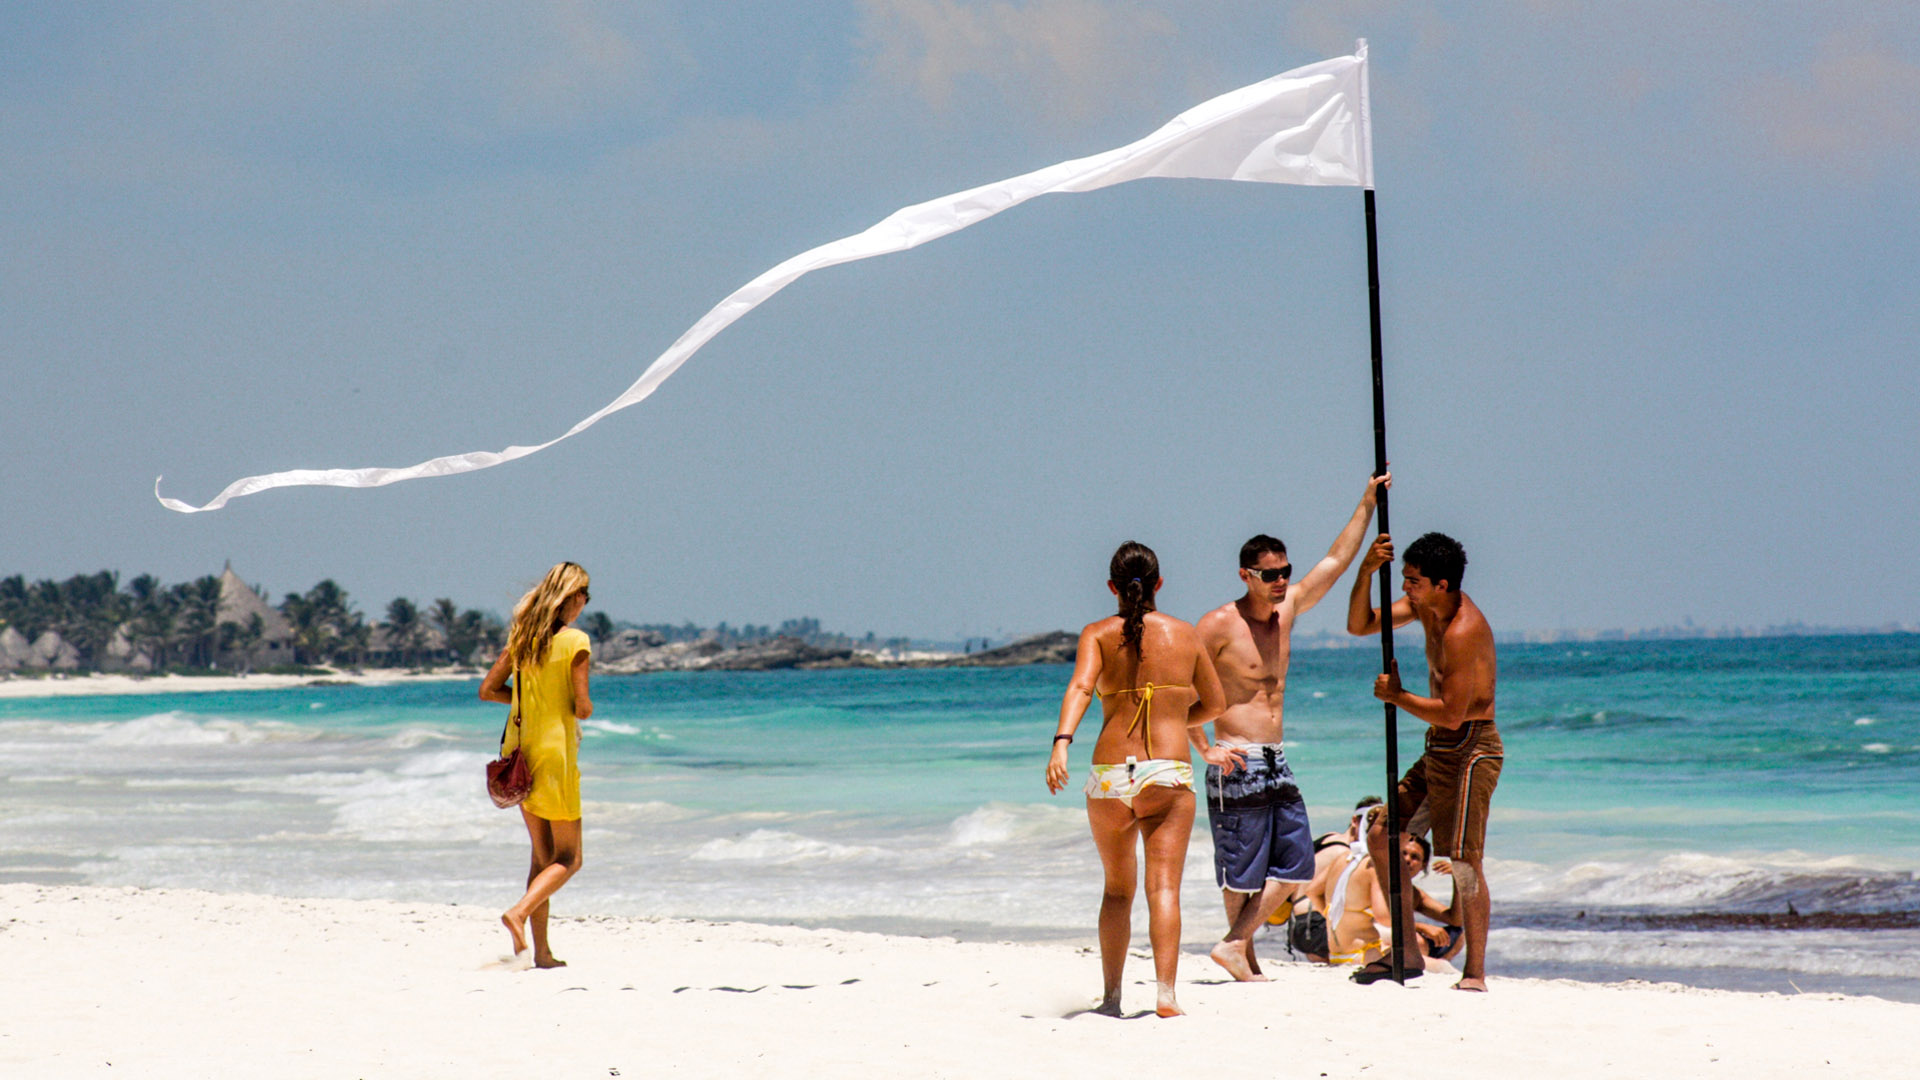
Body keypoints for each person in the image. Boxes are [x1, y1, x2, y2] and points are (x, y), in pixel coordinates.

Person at [1195, 473, 1390, 981]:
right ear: (1245, 575)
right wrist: (1204, 749)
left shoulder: (1289, 609)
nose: (1280, 580)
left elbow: (1335, 560)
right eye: (1269, 574)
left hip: (1275, 758)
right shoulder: (1218, 624)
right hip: (1235, 756)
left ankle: (1235, 944)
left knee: (1297, 863)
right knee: (1241, 870)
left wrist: (1367, 501)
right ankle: (1244, 955)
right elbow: (1178, 691)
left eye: (1284, 571)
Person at [1046, 541, 1232, 1018]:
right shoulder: (1185, 634)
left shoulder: (1097, 634)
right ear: (1159, 584)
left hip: (1109, 776)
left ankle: (1111, 998)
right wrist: (1174, 712)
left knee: (1116, 890)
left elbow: (1082, 686)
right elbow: (1216, 705)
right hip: (1166, 772)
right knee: (1162, 889)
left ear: (1111, 587)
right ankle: (1166, 994)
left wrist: (1062, 742)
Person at [1347, 531, 1501, 990]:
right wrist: (1364, 573)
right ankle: (1408, 952)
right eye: (1404, 579)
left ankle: (1474, 971)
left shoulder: (1462, 630)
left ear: (1442, 583)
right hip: (1438, 746)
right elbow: (1361, 625)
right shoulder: (1424, 608)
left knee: (1465, 861)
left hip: (1472, 748)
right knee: (1381, 832)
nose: (1405, 588)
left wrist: (1397, 696)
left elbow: (1454, 713)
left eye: (1413, 581)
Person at [480, 561, 595, 967]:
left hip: (523, 753)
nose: (585, 602)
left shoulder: (523, 638)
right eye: (585, 594)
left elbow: (488, 690)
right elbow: (581, 708)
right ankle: (519, 912)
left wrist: (528, 701)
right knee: (570, 858)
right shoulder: (576, 641)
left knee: (541, 857)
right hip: (556, 755)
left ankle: (542, 953)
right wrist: (576, 705)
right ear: (571, 597)